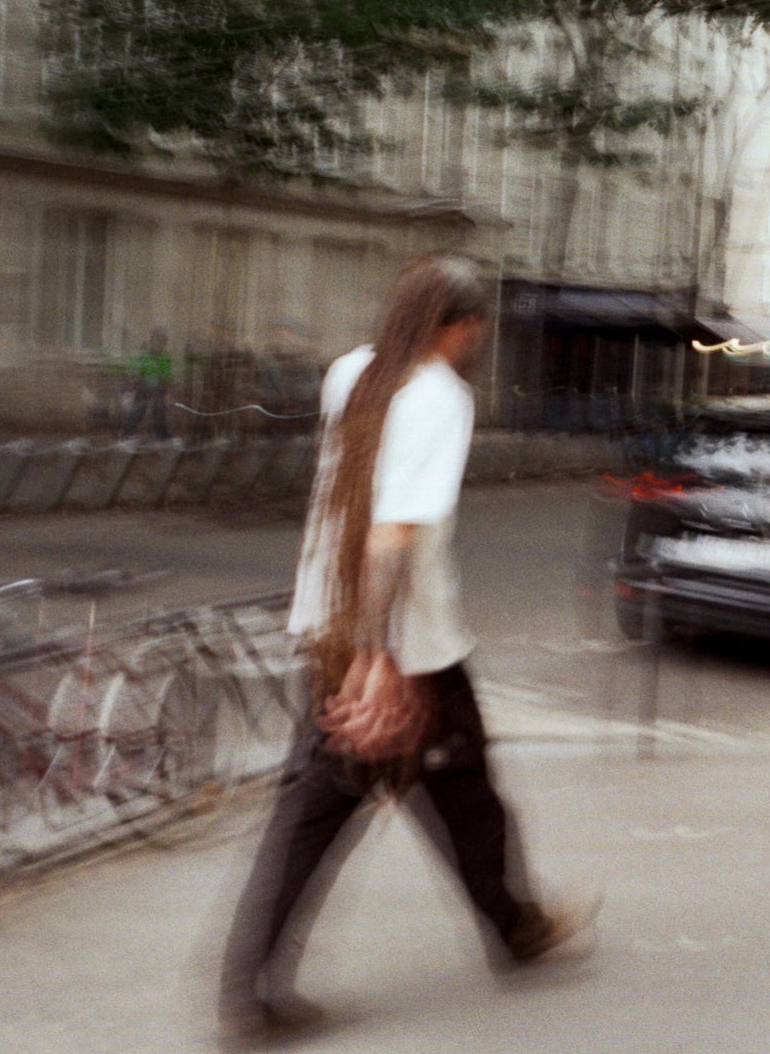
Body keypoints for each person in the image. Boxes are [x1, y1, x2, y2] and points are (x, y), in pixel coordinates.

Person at [218, 255, 596, 1044]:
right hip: (400, 645)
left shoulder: (349, 372)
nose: (477, 341)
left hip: (329, 622)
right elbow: (392, 533)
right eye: (474, 328)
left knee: (394, 800)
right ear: (455, 327)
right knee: (399, 796)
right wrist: (376, 657)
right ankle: (251, 991)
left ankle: (248, 988)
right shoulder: (439, 398)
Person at [121, 330, 174, 441]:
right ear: (151, 342)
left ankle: (161, 435)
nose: (157, 345)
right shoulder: (144, 356)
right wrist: (131, 388)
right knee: (138, 410)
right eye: (155, 342)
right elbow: (137, 373)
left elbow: (167, 377)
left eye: (160, 343)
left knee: (159, 409)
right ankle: (127, 434)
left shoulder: (165, 357)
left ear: (163, 344)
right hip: (144, 387)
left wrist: (169, 394)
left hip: (159, 387)